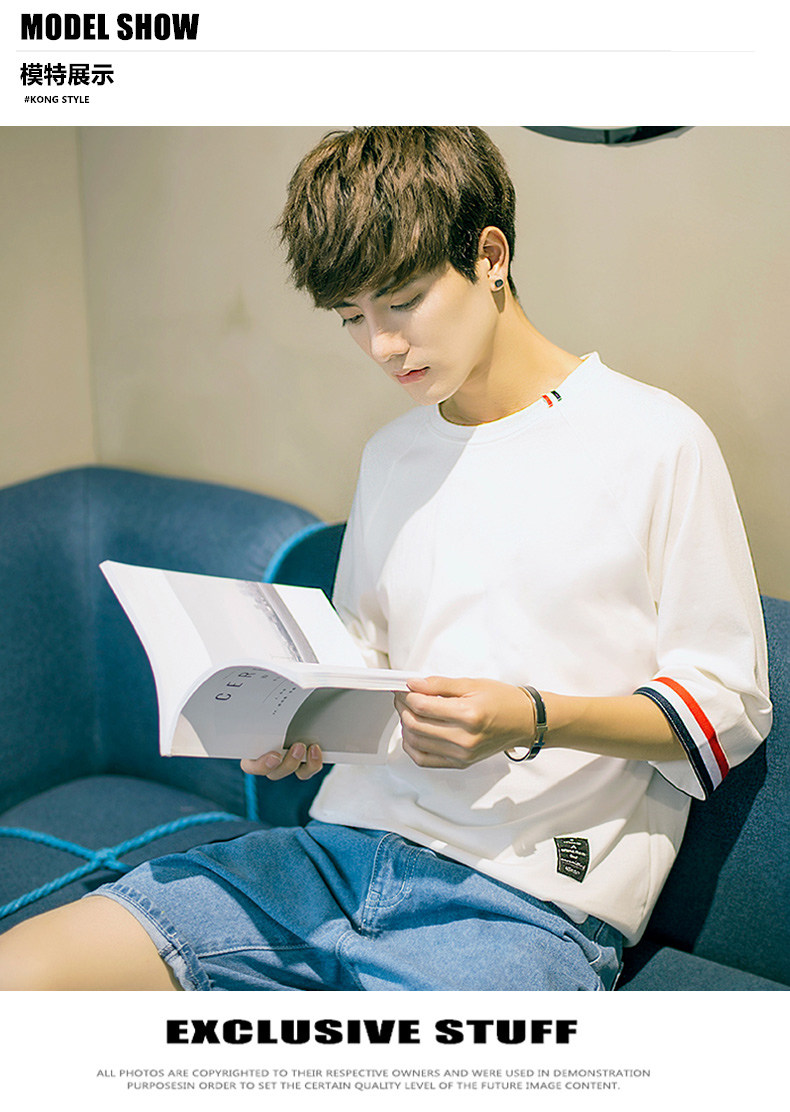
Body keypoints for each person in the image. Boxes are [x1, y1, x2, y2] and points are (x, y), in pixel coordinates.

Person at [0, 126, 772, 991]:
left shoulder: (655, 440)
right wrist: (299, 726)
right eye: (351, 317)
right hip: (327, 864)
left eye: (402, 301)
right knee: (23, 976)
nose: (381, 346)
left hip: (517, 910)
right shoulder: (392, 455)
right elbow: (365, 660)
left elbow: (728, 706)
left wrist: (529, 717)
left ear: (490, 256)